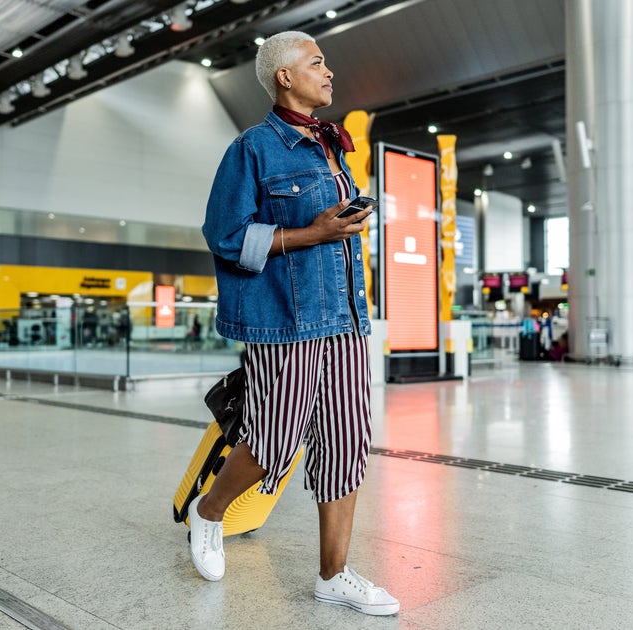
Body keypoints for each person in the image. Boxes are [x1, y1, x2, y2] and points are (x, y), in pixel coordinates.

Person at [192, 31, 399, 616]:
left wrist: (345, 227)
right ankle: (208, 514)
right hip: (286, 320)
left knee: (344, 443)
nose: (329, 71)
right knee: (276, 437)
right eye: (317, 62)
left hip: (345, 318)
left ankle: (333, 575)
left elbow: (334, 231)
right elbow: (225, 236)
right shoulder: (253, 149)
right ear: (284, 76)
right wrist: (315, 232)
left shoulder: (330, 147)